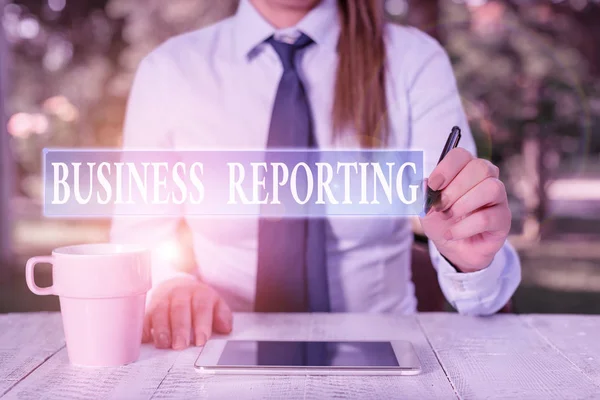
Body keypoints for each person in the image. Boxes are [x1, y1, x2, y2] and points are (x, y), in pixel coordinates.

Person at [110, 0, 521, 350]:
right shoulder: (170, 71)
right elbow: (137, 241)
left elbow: (476, 281)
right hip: (222, 351)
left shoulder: (413, 61)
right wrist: (168, 283)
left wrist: (470, 260)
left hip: (383, 361)